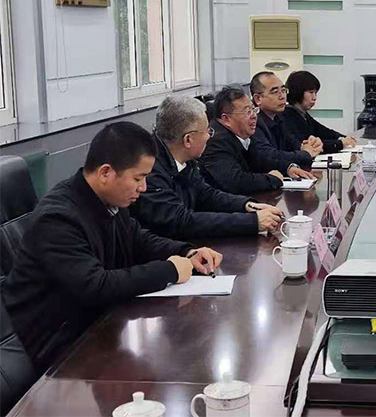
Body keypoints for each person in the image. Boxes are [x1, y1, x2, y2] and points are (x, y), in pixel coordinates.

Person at [1, 122, 223, 372]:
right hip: (57, 350)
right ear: (106, 173)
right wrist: (169, 270)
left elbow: (138, 239)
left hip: (97, 327)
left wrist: (186, 252)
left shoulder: (108, 200)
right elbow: (96, 286)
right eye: (138, 178)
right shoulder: (57, 219)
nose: (143, 188)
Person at [130, 96, 283, 238]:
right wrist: (251, 222)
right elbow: (181, 221)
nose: (210, 136)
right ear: (188, 140)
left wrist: (247, 205)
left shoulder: (186, 158)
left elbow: (206, 195)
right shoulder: (149, 171)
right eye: (208, 131)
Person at [200, 87, 315, 195]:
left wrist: (287, 168)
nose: (254, 116)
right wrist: (271, 179)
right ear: (226, 119)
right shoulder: (216, 141)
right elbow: (236, 181)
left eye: (254, 110)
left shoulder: (242, 132)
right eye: (247, 112)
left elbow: (260, 158)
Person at [250, 72, 323, 172]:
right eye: (275, 92)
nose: (282, 96)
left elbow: (291, 143)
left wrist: (309, 146)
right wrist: (305, 153)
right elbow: (268, 156)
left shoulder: (279, 118)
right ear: (258, 99)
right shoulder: (253, 121)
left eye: (284, 90)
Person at [283, 70, 357, 154]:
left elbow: (323, 131)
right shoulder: (287, 116)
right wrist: (341, 143)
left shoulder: (303, 114)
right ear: (298, 92)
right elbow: (307, 143)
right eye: (311, 92)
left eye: (315, 93)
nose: (314, 97)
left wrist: (344, 138)